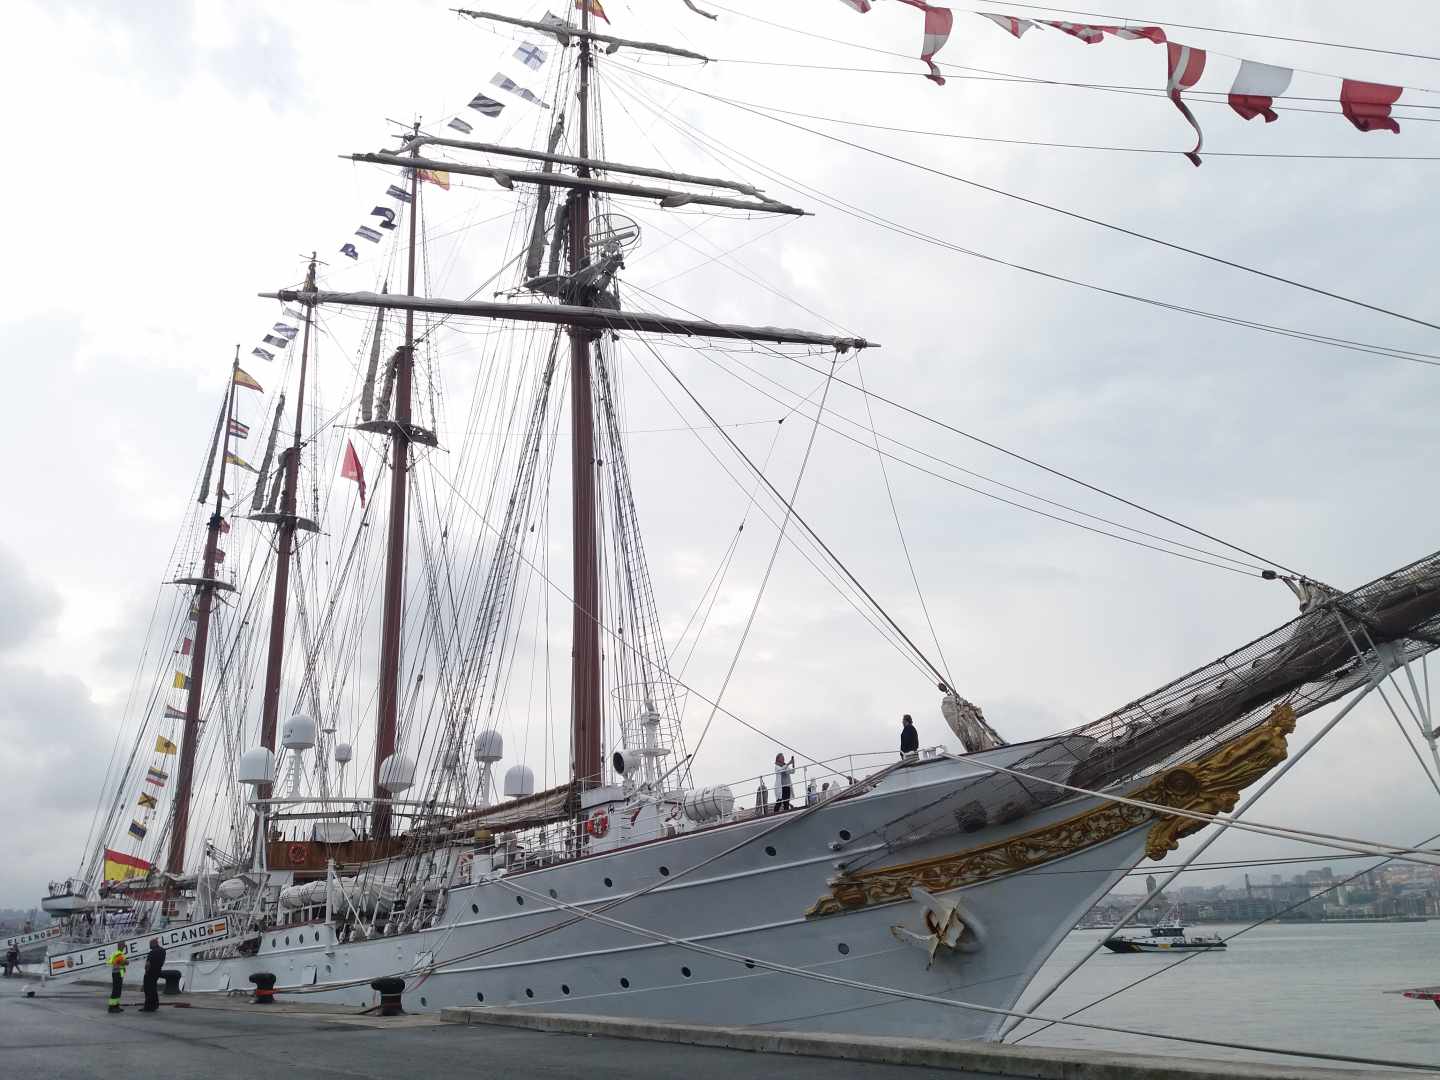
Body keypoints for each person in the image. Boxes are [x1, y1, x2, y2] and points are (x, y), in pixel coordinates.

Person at [141, 938, 166, 1012]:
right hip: (157, 972)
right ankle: (155, 1005)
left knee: (148, 990)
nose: (149, 946)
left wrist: (146, 972)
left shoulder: (152, 952)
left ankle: (148, 1006)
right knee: (154, 989)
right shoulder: (163, 951)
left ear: (154, 944)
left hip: (150, 973)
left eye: (150, 944)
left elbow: (147, 964)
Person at [107, 945, 128, 1013]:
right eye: (123, 946)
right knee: (116, 990)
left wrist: (124, 962)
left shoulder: (121, 954)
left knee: (118, 991)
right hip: (116, 973)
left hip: (120, 972)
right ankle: (111, 1007)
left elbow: (124, 962)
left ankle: (116, 1006)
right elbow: (113, 962)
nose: (124, 947)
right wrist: (124, 962)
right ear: (120, 946)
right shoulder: (116, 953)